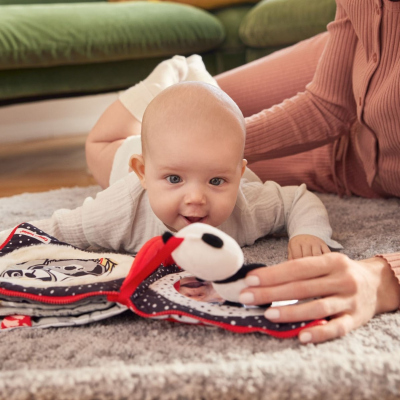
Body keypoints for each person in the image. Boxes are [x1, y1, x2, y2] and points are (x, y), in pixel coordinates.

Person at [84, 0, 400, 344]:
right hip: (347, 89)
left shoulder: (255, 208)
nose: (195, 199)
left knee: (112, 149)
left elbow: (295, 202)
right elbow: (328, 106)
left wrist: (384, 276)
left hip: (349, 163)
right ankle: (173, 73)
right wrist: (209, 154)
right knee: (187, 109)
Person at [1, 79, 341, 262]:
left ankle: (191, 78)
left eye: (217, 181)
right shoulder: (119, 211)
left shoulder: (248, 205)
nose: (196, 199)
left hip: (174, 147)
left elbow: (298, 200)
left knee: (199, 108)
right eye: (175, 180)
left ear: (239, 176)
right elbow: (56, 228)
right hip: (128, 151)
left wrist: (308, 233)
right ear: (144, 173)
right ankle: (166, 75)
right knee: (98, 145)